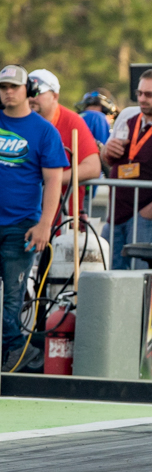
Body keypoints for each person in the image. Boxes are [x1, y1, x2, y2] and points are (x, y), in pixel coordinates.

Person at [0, 65, 66, 374]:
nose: (8, 92)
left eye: (13, 87)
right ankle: (14, 348)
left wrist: (44, 225)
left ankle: (15, 350)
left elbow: (53, 181)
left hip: (22, 225)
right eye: (3, 87)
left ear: (28, 90)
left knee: (13, 296)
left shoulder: (44, 131)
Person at [103, 68, 152, 270]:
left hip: (147, 218)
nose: (142, 99)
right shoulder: (127, 115)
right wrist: (107, 150)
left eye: (149, 94)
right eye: (139, 93)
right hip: (116, 213)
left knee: (141, 277)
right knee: (107, 275)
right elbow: (106, 158)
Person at [28, 69, 101, 219]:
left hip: (62, 218)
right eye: (28, 92)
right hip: (20, 215)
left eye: (37, 93)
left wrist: (51, 179)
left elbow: (93, 167)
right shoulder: (14, 119)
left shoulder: (72, 121)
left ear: (55, 96)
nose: (31, 98)